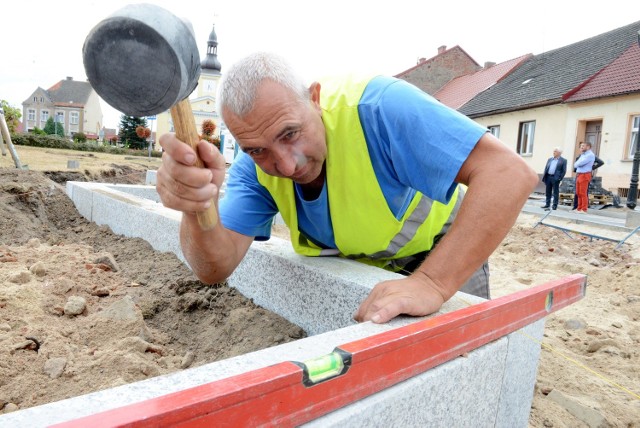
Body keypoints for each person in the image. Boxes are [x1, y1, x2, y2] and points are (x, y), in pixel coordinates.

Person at [156, 52, 538, 324]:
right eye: (257, 149)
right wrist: (197, 208)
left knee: (464, 360)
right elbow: (215, 268)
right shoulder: (253, 169)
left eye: (290, 134)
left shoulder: (379, 109)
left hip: (441, 250)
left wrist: (433, 283)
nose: (286, 165)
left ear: (315, 98)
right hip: (368, 263)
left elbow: (507, 173)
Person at [573, 142, 596, 213]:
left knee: (583, 192)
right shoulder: (583, 155)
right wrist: (577, 164)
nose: (581, 147)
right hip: (579, 174)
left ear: (588, 147)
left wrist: (577, 164)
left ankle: (584, 209)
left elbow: (579, 163)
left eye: (583, 146)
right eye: (581, 146)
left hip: (585, 174)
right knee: (578, 193)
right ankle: (579, 208)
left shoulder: (590, 155)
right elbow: (575, 164)